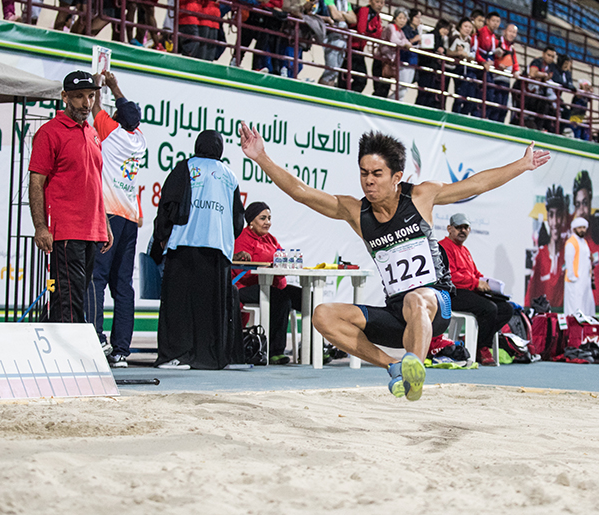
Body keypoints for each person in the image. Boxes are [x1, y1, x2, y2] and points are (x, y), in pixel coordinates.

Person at [238, 125, 550, 401]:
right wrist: (262, 157)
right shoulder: (354, 211)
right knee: (322, 314)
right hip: (395, 313)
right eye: (363, 173)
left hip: (434, 305)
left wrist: (521, 165)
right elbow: (301, 192)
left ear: (396, 176)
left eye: (376, 174)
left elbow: (477, 184)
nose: (368, 182)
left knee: (416, 298)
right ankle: (396, 366)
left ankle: (414, 369)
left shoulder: (420, 197)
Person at [152, 130, 247, 370]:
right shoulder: (230, 176)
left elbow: (168, 204)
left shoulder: (184, 168)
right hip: (217, 250)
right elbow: (238, 220)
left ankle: (176, 355)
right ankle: (211, 357)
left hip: (184, 244)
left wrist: (161, 235)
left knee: (179, 304)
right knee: (211, 307)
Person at [28, 71, 113, 329]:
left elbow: (94, 183)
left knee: (70, 297)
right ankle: (69, 363)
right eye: (78, 97)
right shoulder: (49, 132)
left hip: (91, 229)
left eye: (90, 96)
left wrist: (105, 224)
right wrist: (41, 227)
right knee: (70, 300)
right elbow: (36, 182)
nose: (86, 103)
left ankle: (45, 352)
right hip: (65, 230)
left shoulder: (92, 133)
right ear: (65, 97)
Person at [87, 72, 146, 368]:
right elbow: (128, 114)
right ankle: (121, 349)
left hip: (108, 215)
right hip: (130, 218)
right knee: (123, 285)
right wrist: (117, 90)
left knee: (96, 277)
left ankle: (96, 338)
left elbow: (95, 107)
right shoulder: (139, 139)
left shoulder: (111, 132)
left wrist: (104, 85)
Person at [233, 202, 303, 365]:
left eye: (269, 218)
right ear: (250, 221)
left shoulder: (271, 239)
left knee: (306, 298)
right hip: (246, 287)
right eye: (263, 218)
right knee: (281, 300)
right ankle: (274, 351)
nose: (267, 222)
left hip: (273, 285)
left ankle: (313, 348)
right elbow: (241, 271)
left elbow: (282, 259)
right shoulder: (241, 239)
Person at [439, 213, 514, 366]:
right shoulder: (443, 247)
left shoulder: (465, 250)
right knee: (489, 308)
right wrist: (476, 282)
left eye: (465, 227)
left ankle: (478, 341)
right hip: (452, 294)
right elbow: (450, 277)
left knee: (507, 308)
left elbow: (475, 274)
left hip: (469, 291)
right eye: (458, 227)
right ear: (449, 229)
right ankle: (482, 347)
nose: (462, 231)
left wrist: (488, 283)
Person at [525, 184, 568, 313]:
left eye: (559, 215)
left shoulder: (568, 251)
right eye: (551, 215)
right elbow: (530, 294)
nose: (555, 222)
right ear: (547, 218)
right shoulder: (541, 255)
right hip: (544, 318)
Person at [572, 170, 599, 308]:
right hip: (578, 299)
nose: (582, 210)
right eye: (577, 205)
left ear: (590, 202)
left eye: (584, 203)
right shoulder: (572, 238)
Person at [248, 0, 286, 72]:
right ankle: (245, 63)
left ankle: (275, 68)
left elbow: (280, 3)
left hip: (267, 17)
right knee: (247, 42)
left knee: (271, 39)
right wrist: (275, 6)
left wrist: (273, 5)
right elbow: (263, 1)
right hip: (252, 15)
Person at [318, 0, 357, 86]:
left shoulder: (346, 1)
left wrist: (342, 14)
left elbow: (354, 19)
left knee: (335, 72)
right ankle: (320, 92)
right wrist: (346, 15)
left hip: (342, 39)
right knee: (331, 69)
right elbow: (334, 15)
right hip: (331, 36)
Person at [351, 0, 385, 93]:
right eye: (377, 2)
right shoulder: (364, 10)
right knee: (358, 79)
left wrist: (369, 32)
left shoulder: (377, 17)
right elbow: (361, 30)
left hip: (359, 50)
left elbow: (379, 35)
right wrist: (371, 32)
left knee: (360, 79)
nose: (379, 5)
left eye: (382, 3)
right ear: (370, 2)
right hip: (350, 48)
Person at [414, 19, 451, 109]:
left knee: (428, 93)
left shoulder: (439, 38)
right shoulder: (432, 35)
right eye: (445, 29)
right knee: (424, 92)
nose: (446, 31)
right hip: (427, 67)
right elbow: (430, 50)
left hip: (431, 69)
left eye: (448, 30)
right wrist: (439, 50)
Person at [487, 23, 519, 123]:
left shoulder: (512, 49)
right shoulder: (497, 43)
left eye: (514, 33)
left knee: (503, 108)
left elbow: (515, 64)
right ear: (504, 31)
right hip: (495, 80)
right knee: (495, 106)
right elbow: (490, 56)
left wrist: (517, 71)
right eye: (510, 31)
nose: (512, 34)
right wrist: (497, 64)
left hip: (506, 82)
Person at [375, 8, 410, 99]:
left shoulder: (400, 31)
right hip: (381, 60)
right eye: (400, 18)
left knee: (386, 88)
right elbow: (393, 40)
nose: (402, 21)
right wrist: (405, 44)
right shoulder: (391, 27)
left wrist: (408, 44)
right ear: (395, 18)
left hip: (389, 62)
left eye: (404, 19)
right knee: (380, 88)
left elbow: (405, 40)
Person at [563, 216, 594, 317]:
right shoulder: (571, 242)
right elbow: (569, 261)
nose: (582, 230)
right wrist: (573, 278)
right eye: (580, 228)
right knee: (574, 309)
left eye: (584, 228)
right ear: (574, 229)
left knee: (585, 307)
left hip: (584, 281)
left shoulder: (584, 242)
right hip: (574, 282)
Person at [522, 46, 558, 130]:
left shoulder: (551, 67)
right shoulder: (537, 61)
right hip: (526, 92)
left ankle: (539, 127)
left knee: (547, 105)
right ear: (543, 54)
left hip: (537, 94)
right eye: (548, 55)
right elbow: (532, 73)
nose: (550, 58)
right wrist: (544, 75)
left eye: (552, 56)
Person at [448, 17, 477, 115]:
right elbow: (447, 51)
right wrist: (457, 53)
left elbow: (468, 55)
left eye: (470, 27)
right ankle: (455, 115)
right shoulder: (454, 37)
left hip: (465, 69)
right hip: (454, 68)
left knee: (469, 98)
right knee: (459, 96)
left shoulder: (469, 41)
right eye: (465, 26)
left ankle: (463, 115)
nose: (468, 29)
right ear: (460, 27)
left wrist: (468, 57)